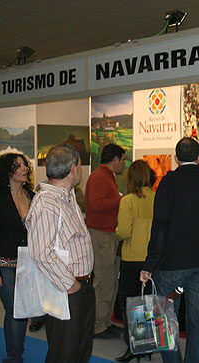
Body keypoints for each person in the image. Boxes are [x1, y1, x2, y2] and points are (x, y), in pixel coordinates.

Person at [140, 138, 199, 363]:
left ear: (176, 158)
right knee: (197, 318)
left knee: (165, 318)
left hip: (171, 264)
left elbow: (159, 228)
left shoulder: (167, 184)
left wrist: (149, 264)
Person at [26, 144, 95, 362]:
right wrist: (70, 284)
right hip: (65, 290)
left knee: (80, 350)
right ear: (73, 168)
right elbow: (40, 252)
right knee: (64, 353)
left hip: (81, 286)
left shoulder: (67, 196)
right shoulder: (47, 202)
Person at [0, 153, 34, 363]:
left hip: (29, 264)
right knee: (14, 309)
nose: (25, 169)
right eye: (18, 166)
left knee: (23, 309)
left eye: (25, 165)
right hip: (5, 264)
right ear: (8, 171)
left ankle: (16, 351)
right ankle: (15, 355)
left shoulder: (32, 196)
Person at [115, 160, 156, 362]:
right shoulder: (157, 198)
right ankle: (147, 344)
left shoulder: (128, 200)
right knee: (148, 303)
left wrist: (117, 233)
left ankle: (134, 346)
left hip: (132, 258)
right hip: (153, 259)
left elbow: (123, 231)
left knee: (130, 303)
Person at [84, 143, 125, 339]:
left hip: (108, 235)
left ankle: (105, 321)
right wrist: (121, 200)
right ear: (115, 159)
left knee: (111, 282)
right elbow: (96, 204)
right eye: (122, 160)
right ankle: (99, 325)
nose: (123, 163)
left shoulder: (107, 176)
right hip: (102, 236)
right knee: (104, 283)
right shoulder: (100, 177)